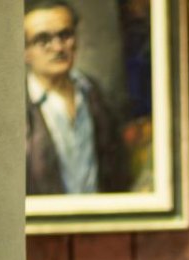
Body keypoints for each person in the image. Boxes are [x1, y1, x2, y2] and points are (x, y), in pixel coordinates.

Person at [24, 0, 131, 194]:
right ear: (25, 52)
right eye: (43, 40)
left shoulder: (95, 95)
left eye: (65, 35)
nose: (58, 47)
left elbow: (118, 172)